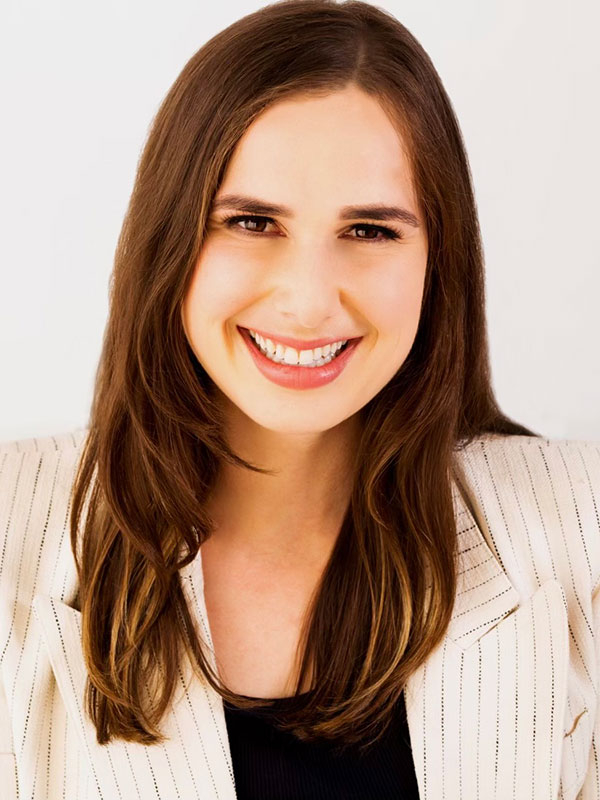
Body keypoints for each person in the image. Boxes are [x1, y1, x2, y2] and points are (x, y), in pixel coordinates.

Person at [1, 0, 599, 798]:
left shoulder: (582, 535)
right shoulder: (11, 531)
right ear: (168, 237)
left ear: (438, 262)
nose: (310, 302)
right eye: (252, 222)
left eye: (371, 231)